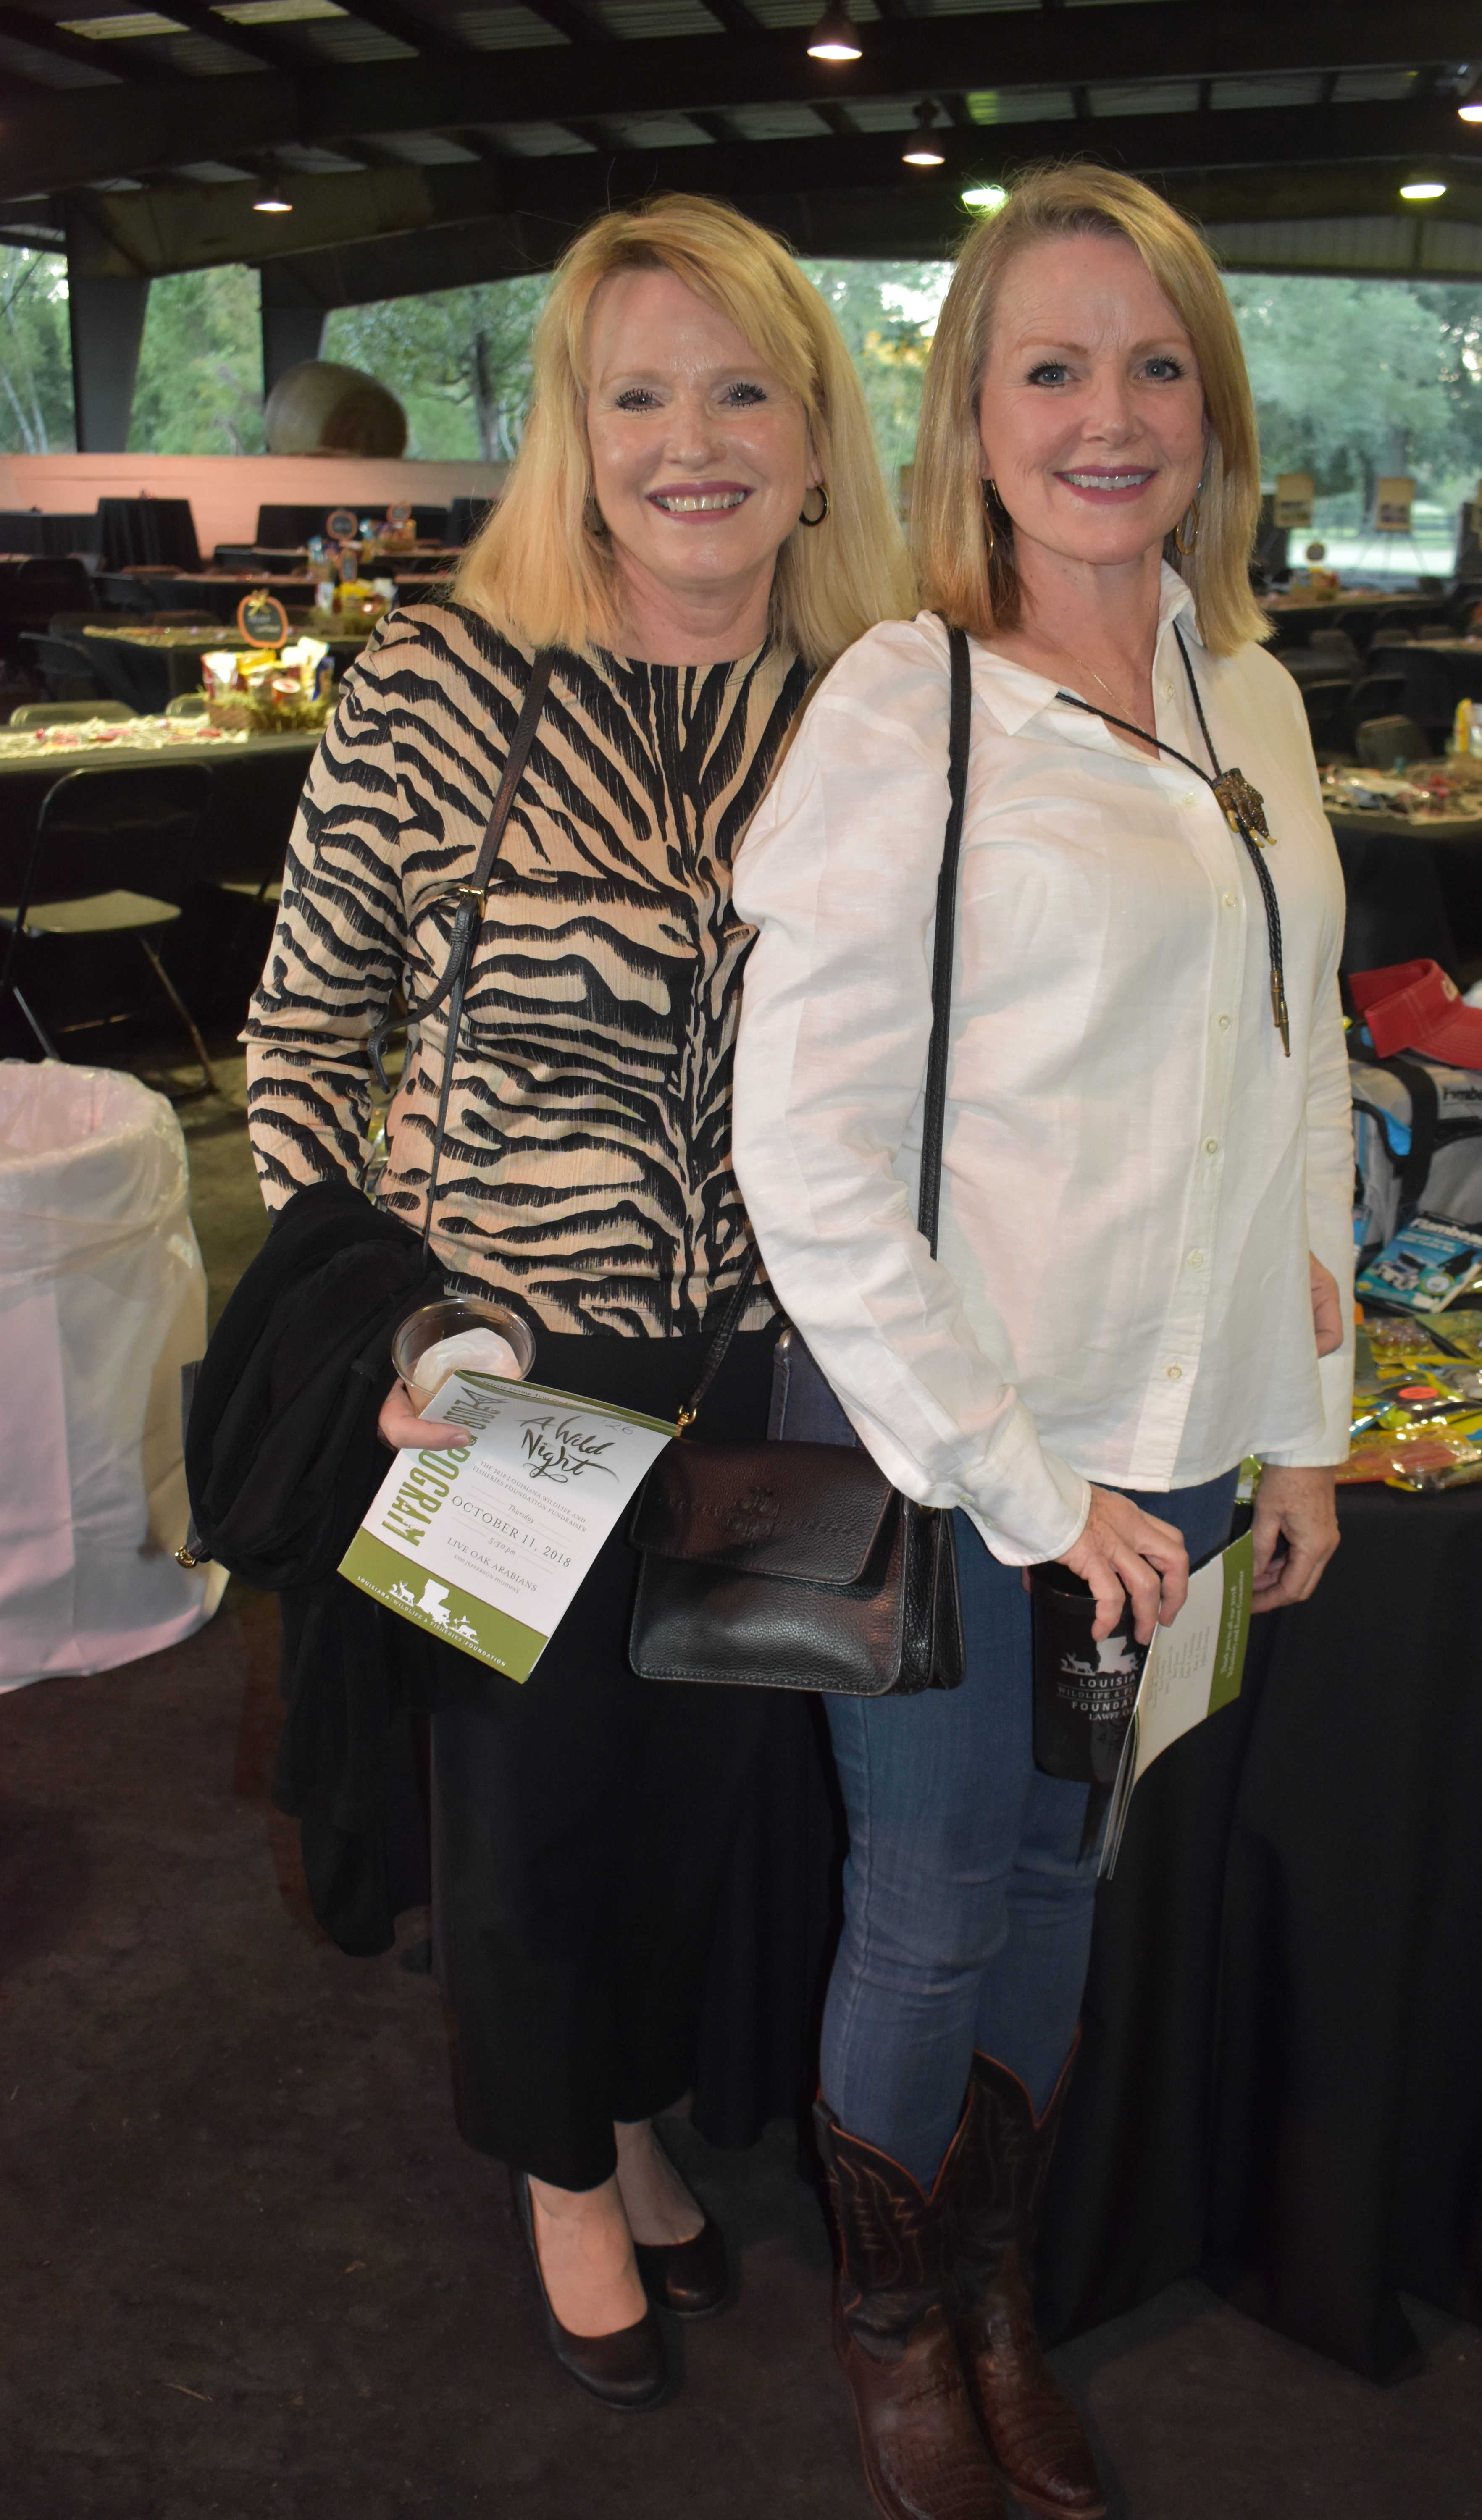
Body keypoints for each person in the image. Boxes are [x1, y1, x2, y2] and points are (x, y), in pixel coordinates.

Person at [244, 194, 909, 2412]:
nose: (688, 442)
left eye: (738, 392)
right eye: (637, 396)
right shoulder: (436, 686)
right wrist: (391, 1317)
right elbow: (301, 1038)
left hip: (785, 1369)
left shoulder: (882, 704)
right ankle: (555, 2165)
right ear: (573, 432)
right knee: (527, 1806)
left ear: (813, 436)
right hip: (505, 1363)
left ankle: (622, 2110)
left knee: (697, 1794)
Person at [731, 164, 1354, 2520]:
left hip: (1170, 1432)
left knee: (1064, 1871)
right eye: (1053, 366)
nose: (1110, 414)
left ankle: (991, 2287)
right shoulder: (907, 706)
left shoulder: (1249, 692)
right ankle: (899, 2325)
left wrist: (1299, 1422)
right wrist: (1024, 1480)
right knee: (926, 1899)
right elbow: (803, 1153)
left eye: (1156, 362)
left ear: (1214, 404)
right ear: (973, 417)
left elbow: (1295, 1068)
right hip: (939, 1446)